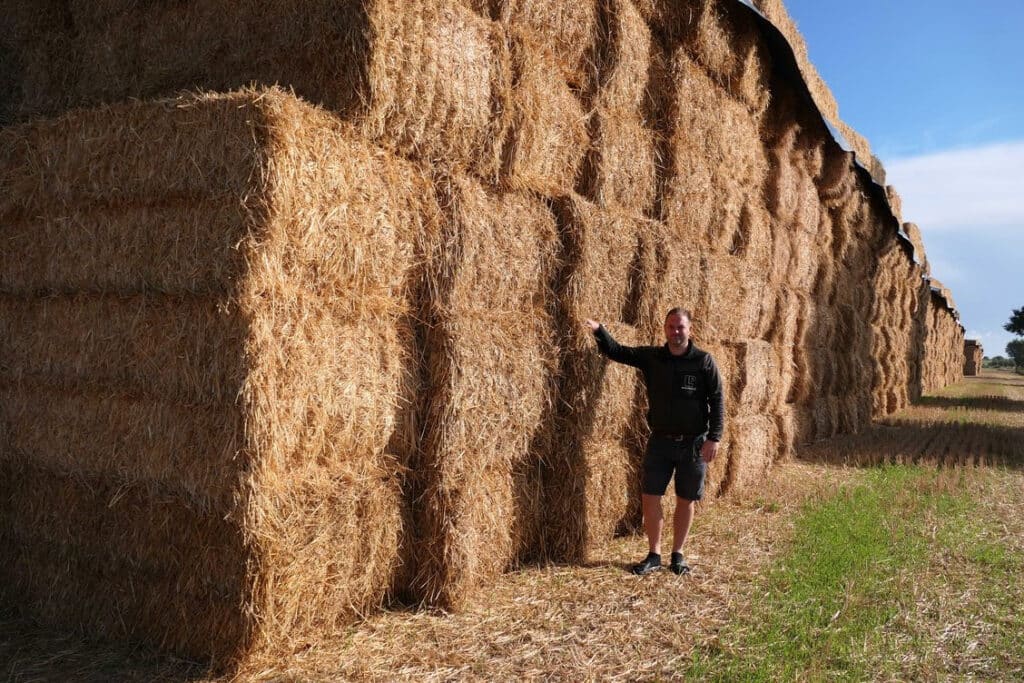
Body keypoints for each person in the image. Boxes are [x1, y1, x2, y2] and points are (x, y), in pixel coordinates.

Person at [585, 308, 724, 576]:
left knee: (686, 500)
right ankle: (654, 554)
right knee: (650, 496)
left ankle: (678, 555)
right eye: (671, 326)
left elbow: (717, 400)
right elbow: (619, 352)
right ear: (664, 329)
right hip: (660, 441)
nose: (676, 332)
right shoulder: (653, 358)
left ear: (690, 330)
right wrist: (599, 330)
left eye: (680, 327)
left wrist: (714, 438)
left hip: (693, 444)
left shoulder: (704, 362)